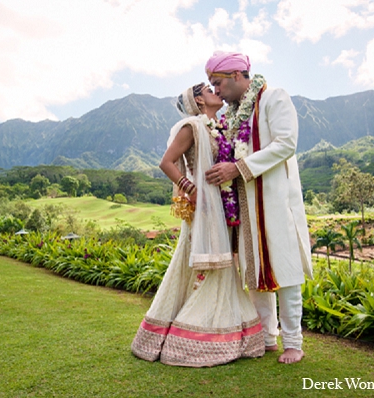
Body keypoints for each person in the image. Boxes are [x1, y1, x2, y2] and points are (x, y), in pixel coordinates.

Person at [130, 83, 265, 367]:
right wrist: (191, 189)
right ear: (199, 102)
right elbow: (166, 162)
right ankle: (192, 336)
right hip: (203, 210)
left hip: (222, 208)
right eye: (207, 89)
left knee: (224, 264)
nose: (215, 89)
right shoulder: (191, 126)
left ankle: (224, 327)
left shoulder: (218, 127)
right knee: (201, 263)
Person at [203, 51, 313, 364]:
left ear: (237, 76)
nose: (217, 91)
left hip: (275, 201)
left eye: (218, 83)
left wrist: (238, 168)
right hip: (246, 205)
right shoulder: (232, 116)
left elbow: (286, 143)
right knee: (254, 270)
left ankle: (293, 342)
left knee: (286, 269)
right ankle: (266, 337)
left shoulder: (274, 98)